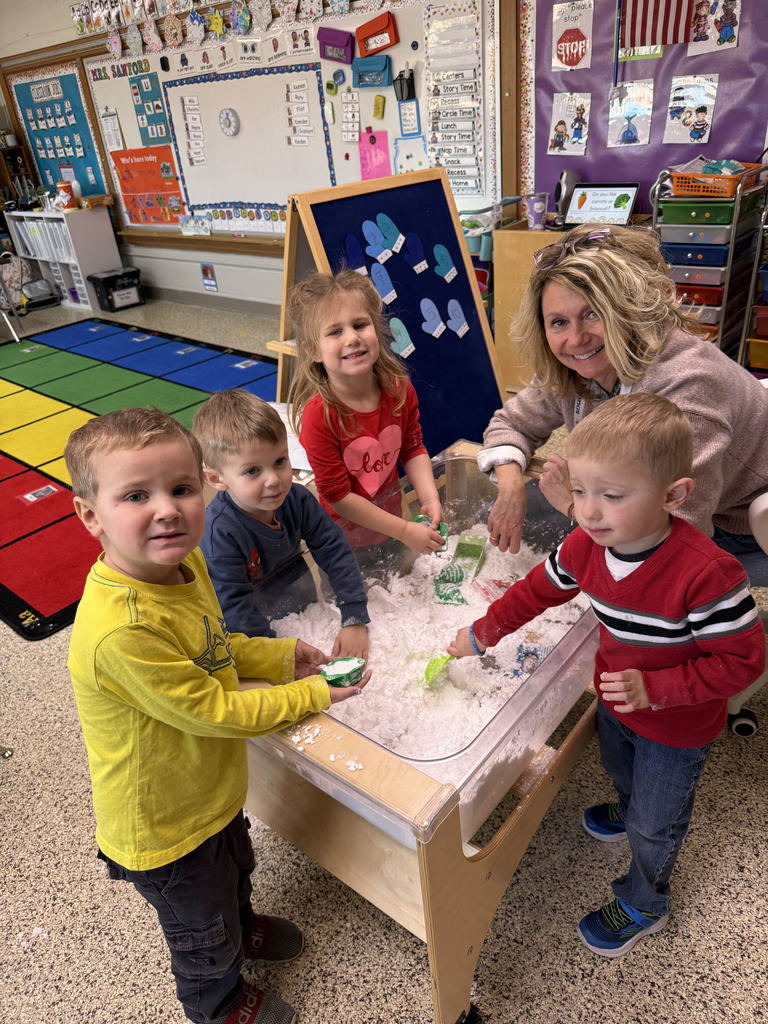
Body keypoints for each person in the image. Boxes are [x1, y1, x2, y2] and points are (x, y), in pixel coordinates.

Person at [64, 408, 369, 1024]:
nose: (167, 510)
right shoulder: (121, 631)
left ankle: (242, 926)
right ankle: (219, 1003)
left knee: (235, 869)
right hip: (164, 827)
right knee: (200, 930)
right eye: (136, 496)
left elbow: (215, 645)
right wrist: (311, 694)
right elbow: (214, 711)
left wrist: (281, 657)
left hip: (209, 791)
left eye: (180, 489)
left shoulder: (185, 564)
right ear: (91, 515)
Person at [449, 394, 765, 957]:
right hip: (616, 702)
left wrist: (655, 689)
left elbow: (744, 662)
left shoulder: (707, 574)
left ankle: (645, 901)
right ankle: (628, 803)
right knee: (619, 767)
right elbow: (536, 591)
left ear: (673, 496)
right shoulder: (586, 544)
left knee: (656, 823)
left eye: (612, 496)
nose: (589, 512)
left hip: (677, 726)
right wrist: (484, 631)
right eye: (580, 491)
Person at [478, 224, 768, 589]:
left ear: (631, 308)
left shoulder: (688, 387)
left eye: (593, 314)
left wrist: (573, 507)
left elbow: (674, 544)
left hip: (742, 526)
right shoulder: (577, 366)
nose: (576, 339)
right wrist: (510, 487)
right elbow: (510, 423)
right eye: (559, 322)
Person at [193, 389, 370, 659]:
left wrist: (354, 616)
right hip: (250, 630)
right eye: (252, 471)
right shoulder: (220, 535)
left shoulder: (297, 500)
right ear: (217, 479)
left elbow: (334, 550)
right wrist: (281, 656)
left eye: (279, 461)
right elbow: (234, 611)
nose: (274, 480)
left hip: (298, 599)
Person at [287, 269, 444, 559]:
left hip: (392, 524)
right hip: (342, 544)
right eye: (335, 332)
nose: (352, 338)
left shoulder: (399, 390)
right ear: (313, 351)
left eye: (360, 325)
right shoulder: (318, 417)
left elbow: (412, 448)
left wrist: (430, 497)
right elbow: (338, 497)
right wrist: (404, 530)